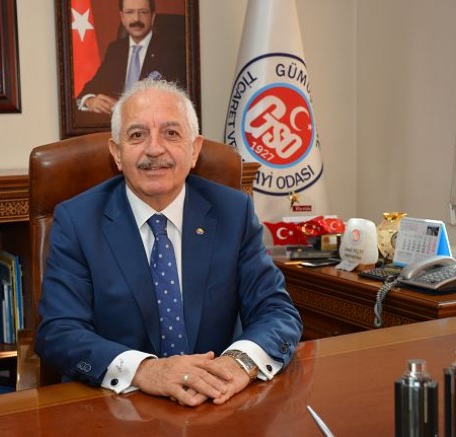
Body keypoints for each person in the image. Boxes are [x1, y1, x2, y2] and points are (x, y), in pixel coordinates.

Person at [36, 78, 303, 407]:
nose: (154, 149)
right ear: (116, 153)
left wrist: (237, 364)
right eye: (137, 135)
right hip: (115, 407)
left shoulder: (233, 212)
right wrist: (145, 370)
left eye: (171, 133)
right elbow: (59, 333)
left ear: (195, 150)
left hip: (215, 403)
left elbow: (277, 313)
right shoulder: (78, 221)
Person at [76, 0, 187, 115]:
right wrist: (89, 100)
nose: (136, 19)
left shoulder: (171, 52)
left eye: (143, 12)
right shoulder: (115, 50)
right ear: (122, 17)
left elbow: (174, 101)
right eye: (130, 12)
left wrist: (124, 107)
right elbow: (90, 89)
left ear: (152, 17)